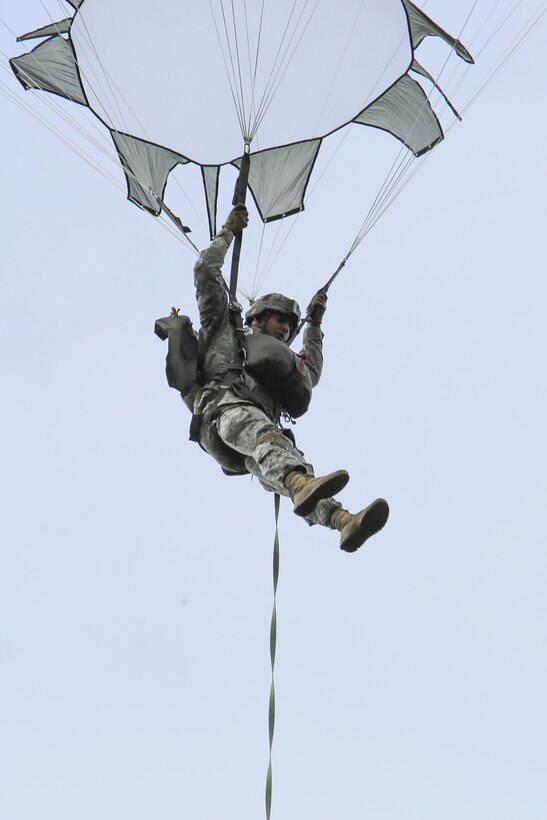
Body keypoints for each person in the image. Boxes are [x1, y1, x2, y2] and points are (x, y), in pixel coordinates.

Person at [191, 204, 389, 552]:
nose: (285, 329)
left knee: (292, 467)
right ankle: (302, 486)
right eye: (280, 320)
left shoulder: (277, 362)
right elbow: (205, 270)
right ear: (259, 318)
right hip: (222, 413)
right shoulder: (223, 328)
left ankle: (344, 522)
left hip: (248, 441)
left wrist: (313, 325)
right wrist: (228, 232)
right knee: (270, 441)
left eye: (290, 325)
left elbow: (308, 373)